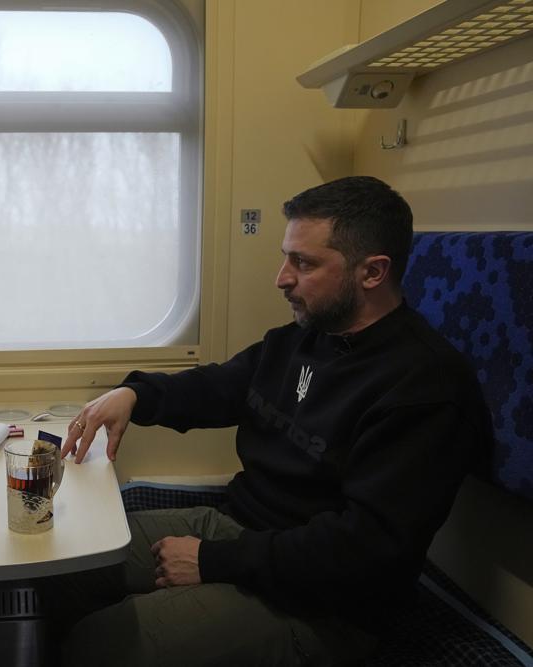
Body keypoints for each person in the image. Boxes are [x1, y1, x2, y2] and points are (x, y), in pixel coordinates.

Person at [55, 176, 492, 666]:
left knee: (96, 648)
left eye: (303, 263)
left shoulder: (424, 389)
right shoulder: (304, 339)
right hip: (243, 532)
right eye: (286, 257)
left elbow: (366, 550)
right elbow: (221, 386)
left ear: (372, 272)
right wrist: (134, 393)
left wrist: (210, 561)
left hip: (324, 606)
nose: (281, 277)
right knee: (62, 563)